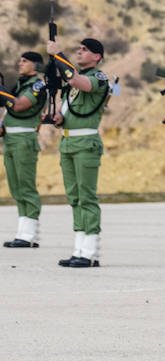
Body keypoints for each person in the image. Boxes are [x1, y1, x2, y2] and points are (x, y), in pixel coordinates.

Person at [49, 36, 112, 268]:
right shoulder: (71, 86)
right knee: (74, 197)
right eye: (79, 48)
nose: (80, 51)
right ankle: (79, 248)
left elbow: (78, 82)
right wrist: (58, 118)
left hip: (86, 143)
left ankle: (91, 251)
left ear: (97, 56)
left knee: (87, 196)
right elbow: (70, 106)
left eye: (85, 50)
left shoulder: (99, 77)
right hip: (68, 143)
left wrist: (58, 55)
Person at [1, 51, 48, 248]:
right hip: (11, 138)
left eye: (25, 61)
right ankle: (23, 232)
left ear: (36, 65)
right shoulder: (20, 84)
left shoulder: (37, 85)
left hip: (24, 139)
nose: (20, 64)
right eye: (19, 60)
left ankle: (30, 234)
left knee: (26, 186)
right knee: (16, 186)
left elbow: (19, 106)